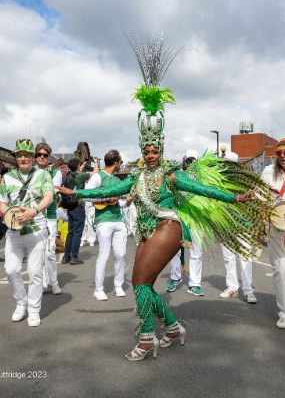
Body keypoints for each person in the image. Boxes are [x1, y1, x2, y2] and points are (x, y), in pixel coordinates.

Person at [59, 35, 271, 360]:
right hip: (146, 231)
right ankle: (171, 327)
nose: (151, 153)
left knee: (141, 284)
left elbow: (204, 190)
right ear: (142, 150)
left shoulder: (174, 174)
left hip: (168, 228)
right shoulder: (135, 176)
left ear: (161, 148)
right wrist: (77, 191)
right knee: (140, 284)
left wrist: (235, 198)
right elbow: (107, 190)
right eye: (146, 149)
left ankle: (148, 339)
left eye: (155, 149)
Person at [0, 139, 53, 327]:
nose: (23, 158)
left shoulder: (43, 174)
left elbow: (49, 196)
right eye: (20, 155)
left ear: (32, 157)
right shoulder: (7, 178)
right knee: (11, 270)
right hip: (14, 231)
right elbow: (2, 201)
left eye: (27, 155)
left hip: (37, 228)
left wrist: (35, 210)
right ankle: (21, 304)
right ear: (16, 157)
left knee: (35, 272)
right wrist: (8, 215)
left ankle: (33, 310)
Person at [262, 138, 285, 329]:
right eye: (279, 153)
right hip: (276, 229)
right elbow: (260, 197)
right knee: (281, 270)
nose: (283, 156)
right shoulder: (268, 172)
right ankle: (284, 313)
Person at [84, 149, 128, 300]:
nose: (120, 165)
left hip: (118, 220)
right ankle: (98, 289)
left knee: (121, 254)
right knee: (104, 255)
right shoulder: (98, 176)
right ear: (116, 163)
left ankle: (118, 285)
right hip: (103, 221)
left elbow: (119, 202)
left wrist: (126, 201)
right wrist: (105, 201)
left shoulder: (117, 181)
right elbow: (87, 196)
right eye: (120, 162)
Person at [218, 151, 257, 304]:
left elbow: (252, 201)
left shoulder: (244, 180)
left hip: (243, 224)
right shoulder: (219, 180)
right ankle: (232, 287)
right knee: (228, 257)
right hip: (225, 224)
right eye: (222, 163)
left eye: (226, 162)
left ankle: (248, 291)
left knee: (245, 257)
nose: (223, 165)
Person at [166, 149, 204, 297]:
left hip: (195, 218)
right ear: (183, 160)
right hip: (177, 216)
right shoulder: (175, 175)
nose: (191, 164)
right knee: (174, 250)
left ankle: (194, 284)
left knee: (196, 251)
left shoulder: (200, 177)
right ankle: (175, 278)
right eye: (189, 160)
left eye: (194, 161)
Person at [35, 142, 62, 295]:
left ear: (49, 156)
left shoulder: (55, 173)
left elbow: (52, 192)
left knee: (49, 251)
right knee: (37, 252)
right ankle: (42, 282)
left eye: (45, 155)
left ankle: (54, 282)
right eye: (39, 155)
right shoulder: (29, 172)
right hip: (33, 216)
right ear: (36, 156)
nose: (42, 157)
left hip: (50, 217)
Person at [61, 158, 93, 265]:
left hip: (69, 206)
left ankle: (66, 257)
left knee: (70, 232)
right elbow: (95, 172)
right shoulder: (81, 176)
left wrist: (82, 165)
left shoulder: (68, 176)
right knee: (77, 232)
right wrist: (96, 163)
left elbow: (77, 170)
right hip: (78, 206)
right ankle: (74, 256)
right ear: (78, 167)